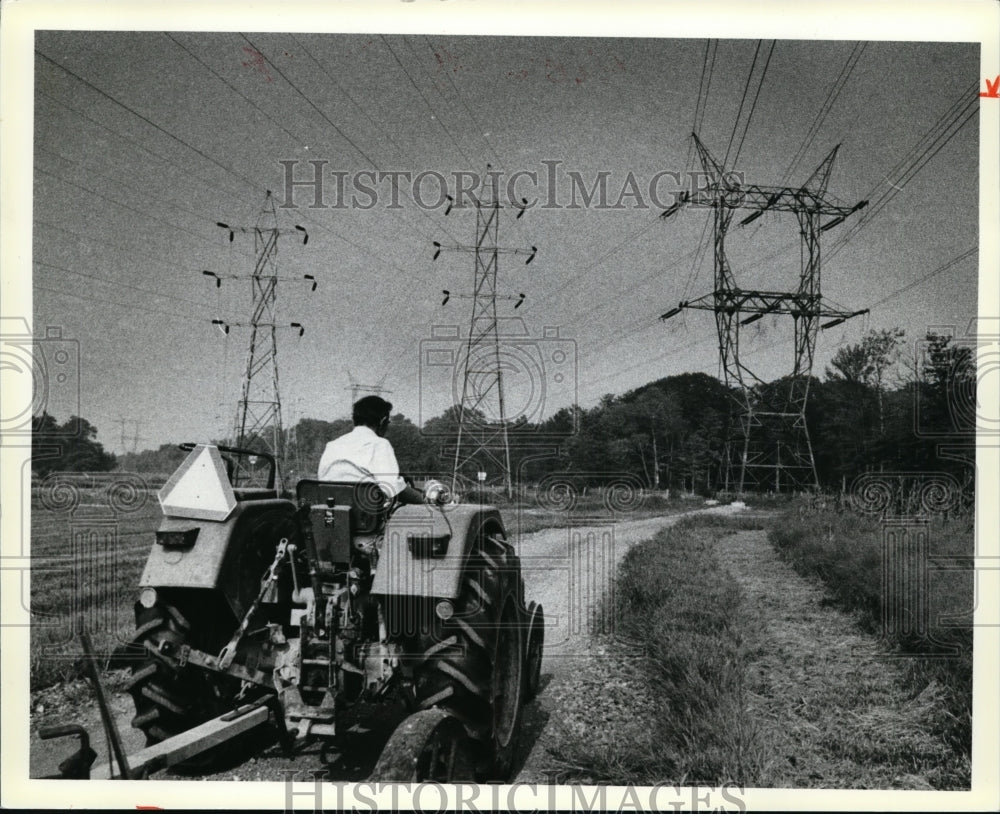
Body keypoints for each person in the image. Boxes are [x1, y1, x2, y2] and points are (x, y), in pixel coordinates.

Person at [317, 395, 424, 505]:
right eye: (388, 422)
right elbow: (393, 488)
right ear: (383, 421)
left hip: (328, 515)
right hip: (364, 517)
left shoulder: (332, 445)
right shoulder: (379, 444)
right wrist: (423, 498)